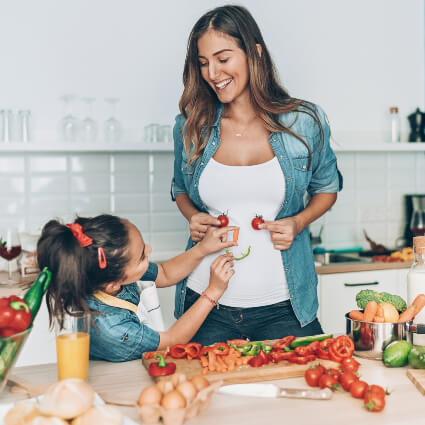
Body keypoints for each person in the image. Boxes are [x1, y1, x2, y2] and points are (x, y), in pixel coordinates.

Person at [171, 5, 343, 345]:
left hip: (284, 307)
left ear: (254, 53)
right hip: (205, 304)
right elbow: (180, 189)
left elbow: (327, 188)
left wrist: (298, 222)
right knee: (203, 398)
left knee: (305, 391)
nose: (212, 72)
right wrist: (193, 217)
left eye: (223, 58)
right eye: (203, 62)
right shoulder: (190, 126)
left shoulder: (304, 121)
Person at [36, 214, 237, 362]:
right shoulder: (113, 329)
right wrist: (213, 292)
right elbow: (173, 340)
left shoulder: (112, 269)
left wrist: (202, 248)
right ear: (113, 283)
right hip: (118, 383)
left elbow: (165, 272)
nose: (149, 250)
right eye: (142, 256)